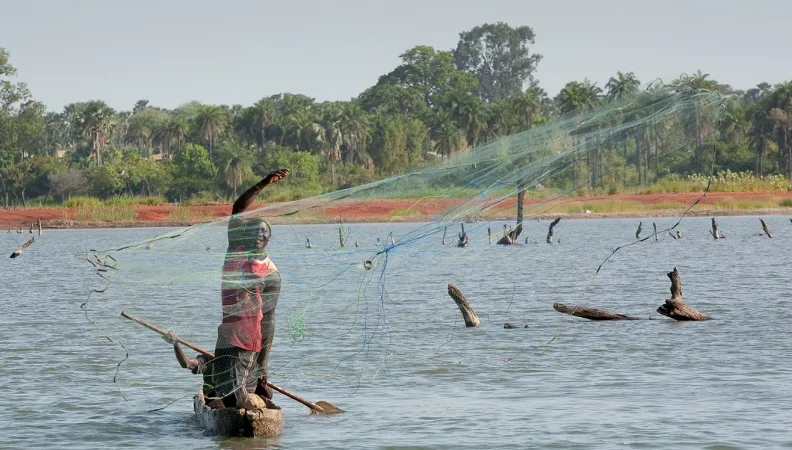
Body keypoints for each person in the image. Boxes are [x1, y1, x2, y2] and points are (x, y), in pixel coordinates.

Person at [165, 169, 289, 408]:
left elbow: (269, 320)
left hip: (250, 341)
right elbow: (238, 207)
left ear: (269, 237)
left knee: (244, 388)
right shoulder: (236, 250)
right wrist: (264, 182)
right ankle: (235, 402)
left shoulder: (271, 273)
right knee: (225, 387)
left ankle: (249, 401)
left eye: (263, 232)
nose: (258, 235)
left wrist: (263, 364)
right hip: (228, 334)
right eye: (253, 230)